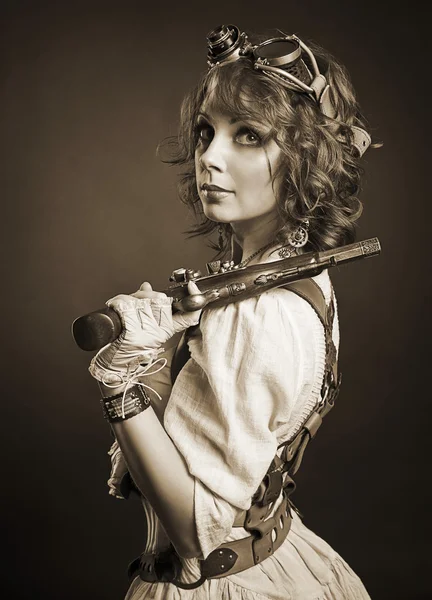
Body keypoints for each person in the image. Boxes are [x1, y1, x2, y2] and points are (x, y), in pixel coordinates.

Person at [88, 24, 378, 599]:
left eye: (248, 135)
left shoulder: (260, 316)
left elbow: (197, 532)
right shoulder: (292, 273)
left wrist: (122, 376)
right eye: (206, 132)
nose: (209, 157)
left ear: (304, 157)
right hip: (274, 548)